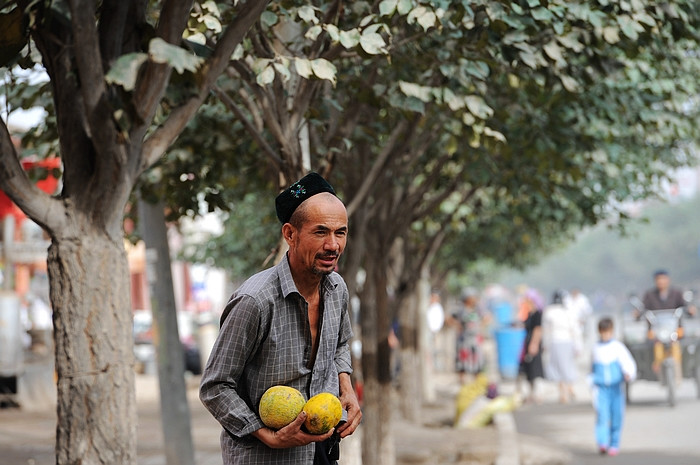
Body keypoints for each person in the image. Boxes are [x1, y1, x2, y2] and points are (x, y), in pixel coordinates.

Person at [199, 172, 362, 465]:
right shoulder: (254, 301)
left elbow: (339, 346)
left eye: (340, 232)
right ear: (290, 234)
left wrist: (346, 388)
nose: (333, 245)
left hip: (321, 452)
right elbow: (215, 386)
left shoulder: (337, 289)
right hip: (263, 457)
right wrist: (267, 435)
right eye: (320, 232)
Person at [590, 317, 637, 456]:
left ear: (612, 331)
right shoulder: (595, 349)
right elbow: (591, 369)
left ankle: (614, 443)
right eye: (603, 332)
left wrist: (628, 373)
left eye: (608, 332)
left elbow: (627, 363)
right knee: (602, 415)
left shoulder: (617, 347)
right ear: (599, 332)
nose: (605, 335)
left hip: (616, 388)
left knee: (617, 416)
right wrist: (591, 383)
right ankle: (602, 442)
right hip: (601, 389)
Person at [542, 290, 581, 403]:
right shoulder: (569, 312)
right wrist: (578, 345)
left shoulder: (549, 312)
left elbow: (546, 331)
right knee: (567, 366)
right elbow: (575, 331)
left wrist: (545, 344)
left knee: (558, 368)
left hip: (556, 342)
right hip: (566, 341)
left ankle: (563, 393)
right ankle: (569, 388)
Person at [447, 288, 486, 384]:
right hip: (464, 341)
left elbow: (487, 317)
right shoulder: (460, 310)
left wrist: (480, 326)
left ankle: (477, 383)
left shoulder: (477, 309)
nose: (474, 299)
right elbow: (448, 318)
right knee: (462, 362)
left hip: (475, 341)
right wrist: (457, 325)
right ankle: (462, 382)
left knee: (477, 361)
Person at [517, 288, 545, 403]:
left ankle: (536, 394)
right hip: (527, 342)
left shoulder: (538, 314)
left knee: (534, 370)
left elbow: (538, 330)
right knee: (527, 370)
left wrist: (534, 344)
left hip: (533, 343)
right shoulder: (529, 313)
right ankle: (530, 394)